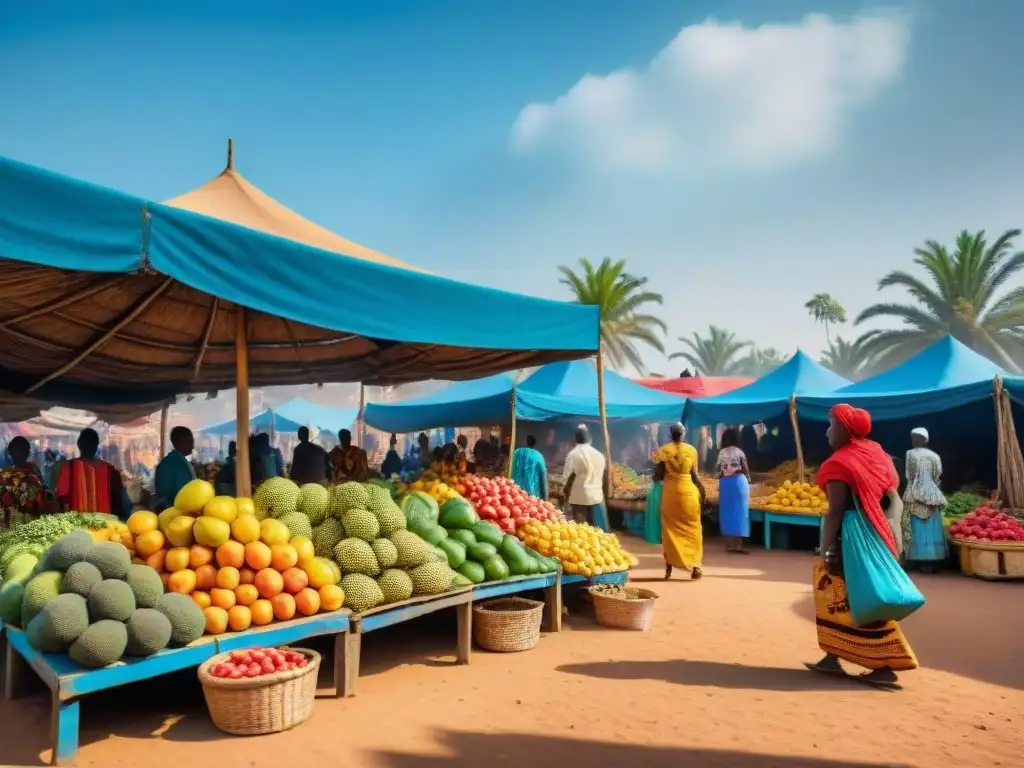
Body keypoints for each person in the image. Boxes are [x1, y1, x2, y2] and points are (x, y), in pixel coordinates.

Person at [805, 404, 917, 690]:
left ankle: (887, 664)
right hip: (878, 530)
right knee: (840, 597)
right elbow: (891, 487)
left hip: (852, 539)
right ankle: (832, 656)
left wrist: (824, 548)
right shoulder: (876, 453)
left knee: (859, 597)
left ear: (845, 430)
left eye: (831, 425)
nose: (827, 430)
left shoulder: (839, 464)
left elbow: (835, 512)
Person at [654, 423, 706, 580]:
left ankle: (669, 567)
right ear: (685, 433)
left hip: (671, 497)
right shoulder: (691, 450)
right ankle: (695, 566)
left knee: (669, 532)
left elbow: (657, 475)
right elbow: (695, 477)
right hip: (689, 495)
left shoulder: (663, 451)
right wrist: (703, 493)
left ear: (670, 434)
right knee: (693, 530)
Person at [901, 427, 947, 570]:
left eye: (916, 437)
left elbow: (909, 475)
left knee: (914, 526)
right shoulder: (935, 456)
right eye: (913, 437)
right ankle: (934, 558)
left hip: (914, 493)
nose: (914, 440)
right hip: (933, 494)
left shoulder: (910, 454)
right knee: (932, 526)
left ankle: (917, 559)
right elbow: (938, 474)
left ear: (924, 439)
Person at [55, 428, 127, 518]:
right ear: (97, 445)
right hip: (104, 525)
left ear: (79, 444)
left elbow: (61, 497)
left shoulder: (69, 467)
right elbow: (118, 501)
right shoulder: (110, 469)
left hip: (77, 525)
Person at [561, 425, 607, 528]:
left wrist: (566, 495)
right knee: (596, 527)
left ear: (575, 440)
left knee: (581, 529)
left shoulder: (573, 454)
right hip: (596, 496)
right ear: (590, 440)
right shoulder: (599, 455)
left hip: (579, 498)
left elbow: (566, 478)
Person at [0, 437, 52, 527]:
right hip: (18, 522)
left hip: (26, 521)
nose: (18, 455)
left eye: (21, 451)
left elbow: (42, 491)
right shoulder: (5, 474)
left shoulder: (6, 473)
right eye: (16, 452)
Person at [717, 428, 751, 554]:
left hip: (725, 484)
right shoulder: (739, 452)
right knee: (740, 513)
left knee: (727, 513)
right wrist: (749, 479)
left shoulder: (721, 453)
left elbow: (717, 471)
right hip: (738, 482)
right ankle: (738, 546)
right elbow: (746, 469)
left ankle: (729, 545)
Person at [154, 426, 196, 511]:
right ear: (181, 442)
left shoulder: (179, 461)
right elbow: (164, 496)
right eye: (191, 441)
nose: (193, 446)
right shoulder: (170, 464)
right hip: (174, 513)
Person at [511, 435, 549, 500]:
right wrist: (546, 499)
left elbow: (510, 469)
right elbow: (543, 480)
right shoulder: (539, 456)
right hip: (532, 497)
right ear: (534, 444)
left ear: (525, 442)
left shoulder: (517, 452)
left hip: (514, 493)